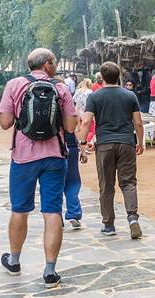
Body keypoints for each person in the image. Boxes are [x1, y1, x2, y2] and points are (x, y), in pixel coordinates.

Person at [0, 48, 78, 289]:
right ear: (48, 64)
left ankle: (14, 261)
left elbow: (5, 123)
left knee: (19, 210)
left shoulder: (14, 85)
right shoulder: (60, 87)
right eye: (54, 61)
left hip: (23, 158)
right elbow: (70, 126)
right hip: (54, 158)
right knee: (52, 211)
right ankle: (50, 272)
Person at [78, 61, 144, 239]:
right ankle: (132, 218)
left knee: (106, 185)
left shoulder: (94, 97)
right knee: (128, 183)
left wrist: (83, 141)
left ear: (102, 77)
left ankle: (108, 225)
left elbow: (86, 121)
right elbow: (138, 122)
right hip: (127, 143)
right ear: (118, 76)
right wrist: (140, 142)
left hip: (104, 145)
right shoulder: (130, 95)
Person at [64, 79, 93, 229]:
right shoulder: (71, 110)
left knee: (52, 183)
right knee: (72, 181)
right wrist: (82, 150)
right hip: (70, 148)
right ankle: (73, 213)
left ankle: (54, 215)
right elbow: (76, 131)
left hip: (49, 150)